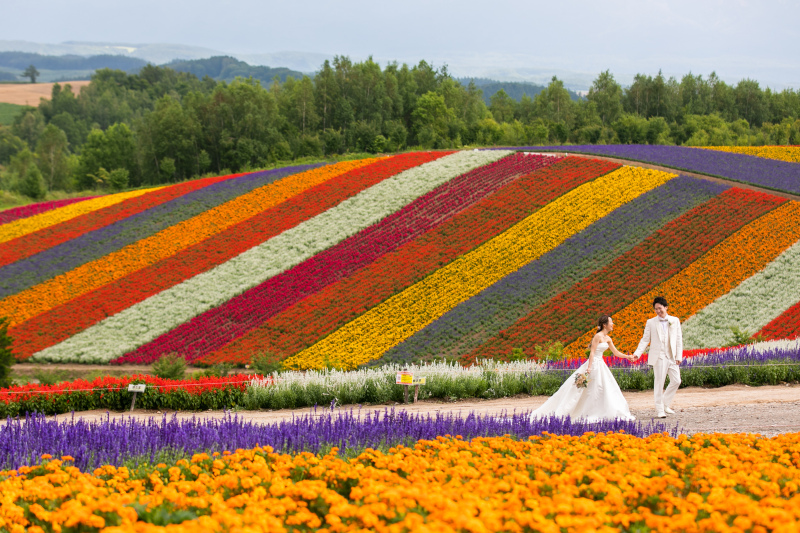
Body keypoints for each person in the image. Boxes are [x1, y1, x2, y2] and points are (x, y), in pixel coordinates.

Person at [530, 315, 635, 422]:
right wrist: (589, 367)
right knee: (587, 389)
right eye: (611, 322)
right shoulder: (597, 336)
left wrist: (628, 357)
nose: (613, 324)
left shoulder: (608, 338)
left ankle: (601, 410)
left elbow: (616, 352)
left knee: (603, 388)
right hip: (593, 365)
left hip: (601, 365)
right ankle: (583, 410)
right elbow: (592, 352)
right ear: (605, 325)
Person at [631, 296, 683, 418]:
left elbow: (679, 339)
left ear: (666, 307)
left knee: (677, 380)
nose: (658, 311)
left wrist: (679, 355)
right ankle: (660, 410)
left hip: (671, 356)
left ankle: (665, 403)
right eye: (656, 309)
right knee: (659, 383)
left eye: (660, 308)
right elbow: (645, 340)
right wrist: (637, 353)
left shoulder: (675, 320)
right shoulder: (651, 322)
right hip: (658, 356)